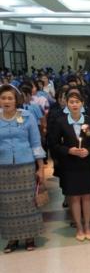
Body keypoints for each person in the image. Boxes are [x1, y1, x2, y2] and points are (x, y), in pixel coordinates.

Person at [0, 84, 46, 253]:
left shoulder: (27, 116)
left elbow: (35, 142)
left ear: (16, 100)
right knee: (7, 205)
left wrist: (40, 167)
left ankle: (29, 238)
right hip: (3, 168)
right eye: (3, 98)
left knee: (28, 202)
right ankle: (12, 239)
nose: (6, 101)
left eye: (10, 98)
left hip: (25, 166)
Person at [49, 91, 90, 241]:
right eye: (71, 102)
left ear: (82, 103)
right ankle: (79, 227)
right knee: (74, 197)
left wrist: (88, 151)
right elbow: (54, 144)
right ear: (67, 104)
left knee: (87, 196)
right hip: (70, 165)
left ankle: (87, 226)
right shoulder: (60, 122)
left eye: (77, 102)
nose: (74, 104)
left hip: (87, 164)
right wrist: (68, 150)